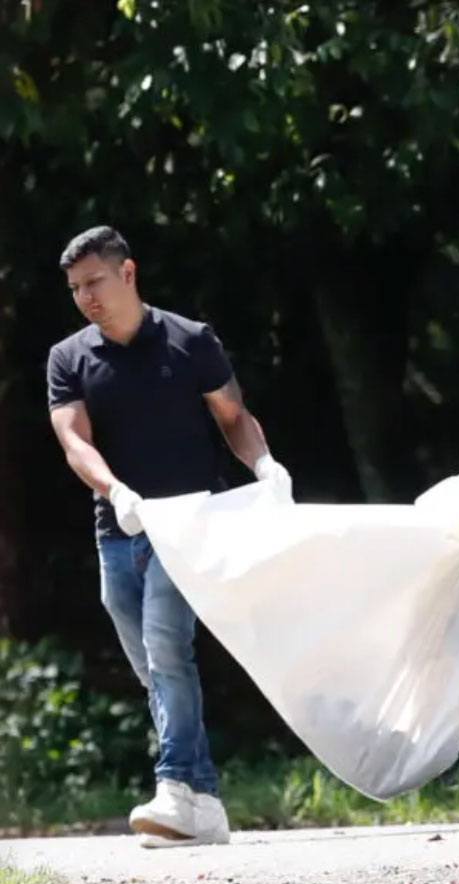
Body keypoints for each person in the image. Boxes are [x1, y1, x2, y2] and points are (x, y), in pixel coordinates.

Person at [46, 226, 293, 847]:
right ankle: (204, 801)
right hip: (118, 527)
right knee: (155, 671)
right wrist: (116, 493)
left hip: (188, 526)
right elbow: (76, 441)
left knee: (165, 647)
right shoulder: (68, 357)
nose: (86, 298)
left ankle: (176, 785)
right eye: (76, 289)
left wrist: (263, 465)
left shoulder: (190, 340)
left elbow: (234, 418)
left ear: (128, 273)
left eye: (95, 283)